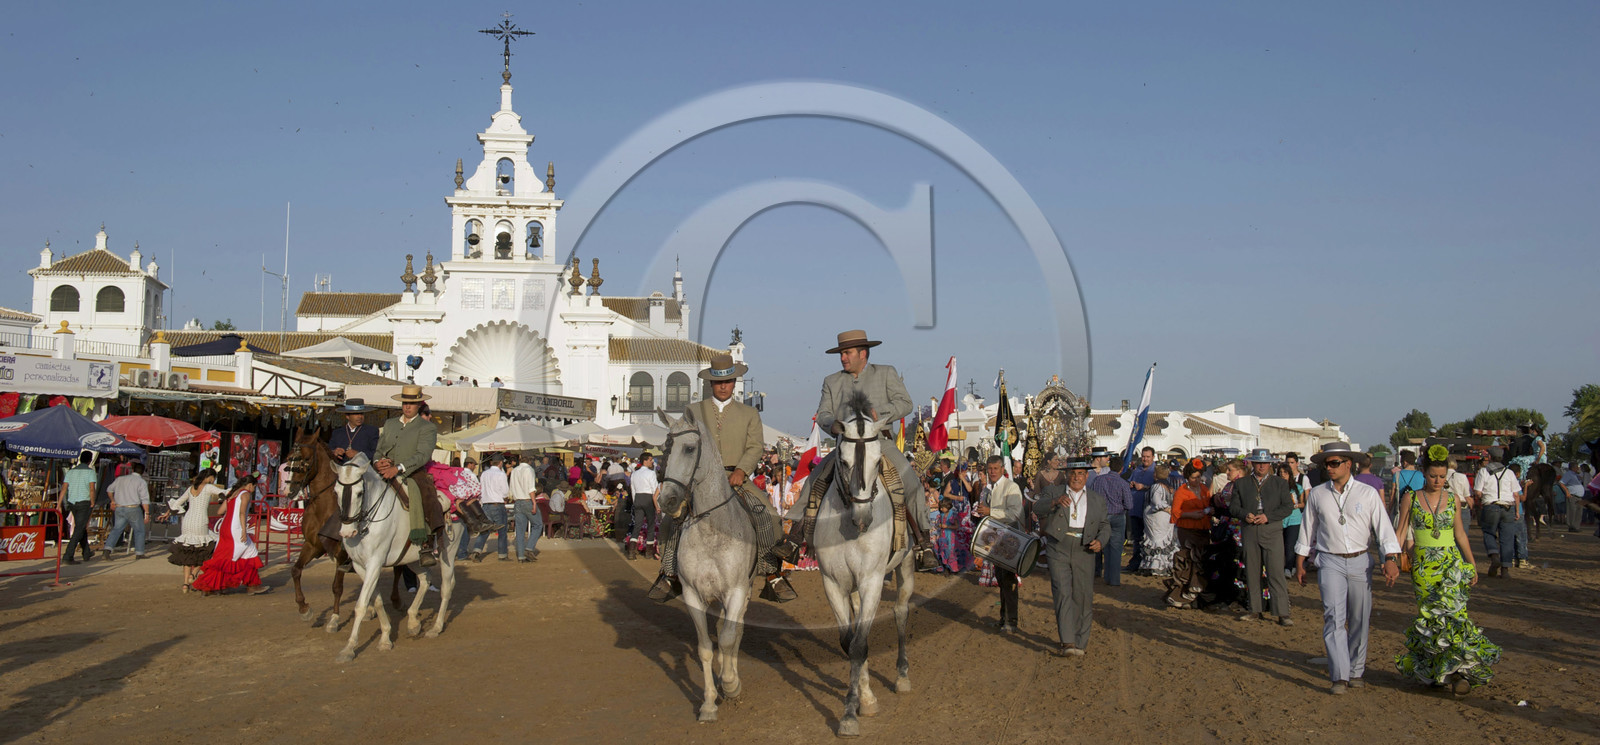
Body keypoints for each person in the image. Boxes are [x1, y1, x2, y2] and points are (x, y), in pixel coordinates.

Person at [773, 329, 936, 571]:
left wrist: (879, 416)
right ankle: (795, 538)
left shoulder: (886, 373)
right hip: (845, 445)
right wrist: (836, 427)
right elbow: (824, 414)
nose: (842, 358)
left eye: (847, 353)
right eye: (841, 353)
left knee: (910, 481)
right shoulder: (832, 381)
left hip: (880, 442)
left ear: (863, 353)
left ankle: (923, 543)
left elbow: (906, 403)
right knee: (815, 480)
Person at [654, 353, 781, 603]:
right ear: (710, 383)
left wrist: (742, 470)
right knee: (672, 518)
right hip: (700, 482)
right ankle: (669, 573)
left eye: (729, 381)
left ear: (734, 383)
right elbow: (682, 443)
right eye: (718, 382)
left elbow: (755, 446)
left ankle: (771, 573)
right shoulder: (693, 411)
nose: (723, 386)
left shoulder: (749, 414)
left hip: (737, 478)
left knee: (768, 516)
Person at [1294, 442, 1401, 695]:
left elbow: (1383, 528)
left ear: (1348, 464)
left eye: (1334, 463)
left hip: (1360, 560)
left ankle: (1356, 670)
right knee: (1333, 616)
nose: (1329, 468)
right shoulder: (1318, 494)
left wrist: (1391, 559)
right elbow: (1307, 529)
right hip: (1329, 560)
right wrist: (1300, 561)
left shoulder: (1368, 493)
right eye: (1325, 464)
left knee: (1359, 618)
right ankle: (1339, 676)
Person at [1394, 446, 1500, 696]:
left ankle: (1460, 672)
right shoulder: (1410, 497)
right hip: (1422, 568)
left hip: (1451, 565)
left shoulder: (1454, 499)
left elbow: (1460, 534)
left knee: (1454, 616)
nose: (1438, 481)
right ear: (1424, 473)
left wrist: (1471, 563)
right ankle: (1437, 672)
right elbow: (1400, 531)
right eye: (1433, 476)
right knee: (1430, 619)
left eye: (1442, 477)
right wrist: (1391, 558)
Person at [1032, 456, 1109, 656]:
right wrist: (1055, 501)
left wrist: (1101, 541)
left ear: (1087, 475)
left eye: (1081, 474)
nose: (1076, 477)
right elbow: (1036, 507)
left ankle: (1081, 641)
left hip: (1085, 548)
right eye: (1073, 473)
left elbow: (1104, 525)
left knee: (1083, 595)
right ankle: (1067, 642)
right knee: (1062, 592)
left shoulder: (1096, 499)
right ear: (1066, 475)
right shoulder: (1053, 491)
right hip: (1059, 547)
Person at [372, 386, 443, 566]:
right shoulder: (390, 424)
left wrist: (398, 469)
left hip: (412, 472)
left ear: (419, 405)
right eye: (405, 403)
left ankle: (426, 544)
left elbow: (422, 455)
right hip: (383, 471)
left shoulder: (427, 427)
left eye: (411, 403)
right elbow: (379, 449)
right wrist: (377, 462)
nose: (407, 407)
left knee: (425, 497)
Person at [1229, 448, 1294, 626]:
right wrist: (1245, 515)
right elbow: (1233, 507)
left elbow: (1287, 507)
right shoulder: (1241, 483)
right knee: (1252, 571)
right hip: (1250, 529)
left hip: (1272, 529)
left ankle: (1282, 612)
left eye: (1265, 463)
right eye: (1258, 463)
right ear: (1252, 463)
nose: (1262, 466)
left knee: (1276, 573)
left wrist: (1268, 516)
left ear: (1270, 464)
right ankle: (1255, 610)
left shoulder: (1279, 483)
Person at [974, 456, 1025, 633]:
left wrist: (990, 511)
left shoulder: (1011, 487)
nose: (992, 472)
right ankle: (1004, 618)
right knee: (1001, 579)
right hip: (996, 540)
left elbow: (1015, 514)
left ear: (1002, 469)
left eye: (996, 468)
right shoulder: (989, 489)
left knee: (1009, 580)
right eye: (990, 468)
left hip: (1010, 540)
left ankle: (1011, 620)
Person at [193, 482, 271, 596]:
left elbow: (220, 511)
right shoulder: (245, 494)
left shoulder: (232, 494)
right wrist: (244, 531)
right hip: (236, 529)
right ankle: (250, 585)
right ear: (249, 485)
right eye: (254, 487)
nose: (254, 489)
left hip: (224, 528)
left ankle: (249, 585)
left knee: (231, 556)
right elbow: (242, 513)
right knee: (230, 559)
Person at [164, 470, 225, 592]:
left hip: (187, 521)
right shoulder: (208, 487)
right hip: (200, 521)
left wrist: (167, 513)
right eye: (213, 478)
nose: (213, 480)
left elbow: (177, 503)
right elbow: (224, 493)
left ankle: (185, 584)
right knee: (206, 550)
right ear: (209, 477)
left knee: (188, 552)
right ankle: (194, 574)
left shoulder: (191, 488)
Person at [1164, 459, 1214, 608]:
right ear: (1187, 477)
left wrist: (1211, 511)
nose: (1196, 480)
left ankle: (1195, 596)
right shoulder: (1181, 491)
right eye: (1193, 478)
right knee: (1190, 560)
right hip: (1187, 529)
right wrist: (1192, 515)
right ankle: (1182, 593)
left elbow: (1209, 505)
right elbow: (1176, 512)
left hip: (1203, 529)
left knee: (1201, 561)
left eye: (1199, 477)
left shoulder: (1205, 490)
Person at [1472, 447, 1522, 578]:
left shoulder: (1484, 471)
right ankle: (1505, 570)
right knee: (1507, 538)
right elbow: (1516, 494)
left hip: (1490, 506)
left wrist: (1482, 498)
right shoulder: (1510, 473)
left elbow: (1477, 491)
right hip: (1508, 507)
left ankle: (1494, 556)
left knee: (1489, 533)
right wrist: (1517, 511)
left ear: (1490, 457)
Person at [1089, 454, 1132, 586]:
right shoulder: (1123, 484)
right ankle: (1113, 579)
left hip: (1102, 516)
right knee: (1116, 549)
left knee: (1102, 545)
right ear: (1121, 469)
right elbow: (1129, 505)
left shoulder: (1098, 480)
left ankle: (1101, 574)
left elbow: (1091, 497)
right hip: (1118, 515)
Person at [101, 461, 152, 560]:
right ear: (143, 472)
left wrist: (112, 501)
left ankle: (107, 550)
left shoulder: (120, 479)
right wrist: (147, 513)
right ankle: (139, 552)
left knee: (116, 529)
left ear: (132, 470)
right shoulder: (141, 482)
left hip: (119, 507)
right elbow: (145, 499)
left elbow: (109, 490)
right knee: (139, 530)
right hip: (133, 508)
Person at [465, 454, 510, 562]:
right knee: (502, 529)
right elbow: (505, 492)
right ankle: (502, 554)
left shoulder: (484, 474)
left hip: (485, 504)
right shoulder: (501, 474)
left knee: (485, 530)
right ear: (500, 463)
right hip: (497, 504)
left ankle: (476, 551)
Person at [57, 452, 98, 565]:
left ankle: (86, 552)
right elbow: (91, 489)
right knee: (79, 528)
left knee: (81, 526)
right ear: (90, 460)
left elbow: (64, 488)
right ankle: (68, 555)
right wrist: (93, 502)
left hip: (72, 502)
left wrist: (59, 503)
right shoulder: (90, 472)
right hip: (84, 502)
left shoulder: (71, 471)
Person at [1139, 463, 1177, 576]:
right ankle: (1164, 564)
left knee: (1156, 541)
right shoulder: (1170, 487)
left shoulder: (1157, 486)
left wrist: (1165, 508)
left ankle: (1155, 566)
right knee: (1163, 541)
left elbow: (1156, 502)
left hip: (1156, 518)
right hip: (1165, 518)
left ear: (1156, 474)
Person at [1126, 446, 1158, 571]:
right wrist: (1131, 484)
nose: (1145, 459)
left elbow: (1160, 488)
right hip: (1135, 509)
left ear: (1153, 457)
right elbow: (1129, 482)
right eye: (1143, 456)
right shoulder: (1137, 470)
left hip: (1149, 512)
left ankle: (1148, 563)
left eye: (1148, 457)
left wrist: (1144, 486)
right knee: (1137, 538)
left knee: (1148, 538)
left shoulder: (1156, 471)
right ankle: (1135, 563)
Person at [627, 452, 660, 560]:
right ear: (645, 461)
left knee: (637, 525)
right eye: (651, 460)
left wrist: (635, 501)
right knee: (651, 525)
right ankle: (648, 553)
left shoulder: (635, 473)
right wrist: (657, 504)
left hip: (638, 498)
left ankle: (631, 551)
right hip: (648, 498)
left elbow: (633, 489)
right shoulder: (651, 473)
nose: (652, 462)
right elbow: (655, 488)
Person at [508, 453, 541, 562]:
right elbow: (531, 488)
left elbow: (511, 488)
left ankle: (521, 556)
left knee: (520, 530)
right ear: (530, 461)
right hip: (527, 500)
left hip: (517, 501)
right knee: (538, 524)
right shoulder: (529, 469)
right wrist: (534, 502)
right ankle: (529, 548)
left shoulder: (514, 470)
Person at [328, 398, 379, 464]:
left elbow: (376, 454)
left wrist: (358, 454)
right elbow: (328, 452)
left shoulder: (371, 431)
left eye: (361, 414)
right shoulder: (337, 432)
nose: (360, 417)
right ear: (347, 416)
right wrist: (334, 452)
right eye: (356, 414)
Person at [1277, 463, 1306, 577]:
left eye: (1285, 472)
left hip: (1294, 519)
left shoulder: (1297, 488)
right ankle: (1290, 565)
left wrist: (1295, 505)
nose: (1283, 475)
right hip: (1281, 519)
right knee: (1282, 544)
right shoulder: (1276, 488)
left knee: (1290, 544)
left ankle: (1289, 567)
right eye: (1280, 473)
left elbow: (1303, 503)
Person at [1562, 460, 1585, 532]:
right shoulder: (1568, 474)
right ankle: (1571, 526)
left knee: (1579, 512)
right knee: (1572, 511)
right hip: (1573, 495)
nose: (1578, 468)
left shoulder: (1575, 475)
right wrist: (1567, 492)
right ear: (1573, 467)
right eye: (1577, 467)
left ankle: (1576, 526)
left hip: (1579, 496)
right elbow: (1561, 483)